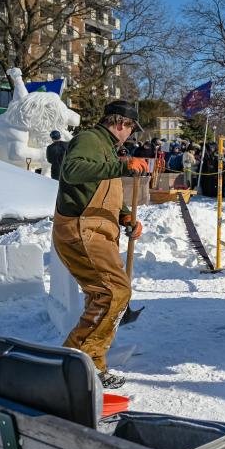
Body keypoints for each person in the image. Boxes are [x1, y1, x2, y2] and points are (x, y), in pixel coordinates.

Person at [52, 100, 149, 389]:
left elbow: (101, 189)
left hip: (96, 229)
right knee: (114, 292)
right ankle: (82, 362)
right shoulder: (90, 140)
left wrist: (125, 216)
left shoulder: (109, 149)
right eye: (131, 128)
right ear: (121, 123)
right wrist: (121, 164)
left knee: (101, 295)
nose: (130, 135)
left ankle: (76, 363)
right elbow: (72, 170)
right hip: (81, 228)